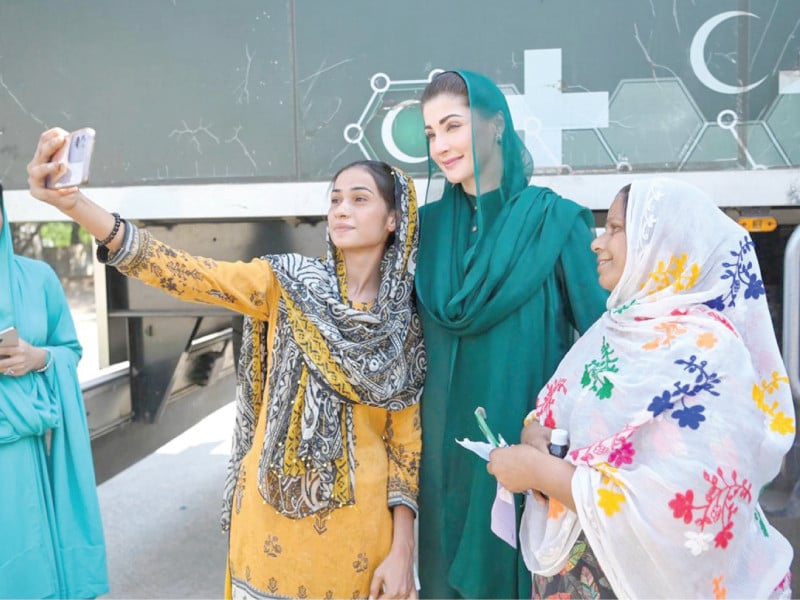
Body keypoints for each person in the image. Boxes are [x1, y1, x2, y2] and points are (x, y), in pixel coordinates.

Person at [27, 130, 426, 600]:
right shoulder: (286, 286)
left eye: (360, 199)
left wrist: (403, 553)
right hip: (267, 528)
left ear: (395, 219)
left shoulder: (403, 326)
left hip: (360, 542)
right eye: (335, 198)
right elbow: (186, 272)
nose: (341, 209)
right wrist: (76, 207)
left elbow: (405, 448)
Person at [487, 178, 795, 598]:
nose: (597, 243)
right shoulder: (613, 328)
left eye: (615, 228)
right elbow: (559, 410)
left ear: (663, 241)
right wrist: (535, 434)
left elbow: (689, 503)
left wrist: (541, 472)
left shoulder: (710, 351)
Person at [414, 70, 609, 599]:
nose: (441, 146)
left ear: (496, 123)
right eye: (431, 133)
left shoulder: (555, 221)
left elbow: (603, 343)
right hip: (441, 452)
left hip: (523, 441)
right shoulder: (424, 229)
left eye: (452, 126)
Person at [0, 184, 108, 598]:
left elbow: (68, 351)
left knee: (30, 573)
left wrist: (36, 357)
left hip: (21, 459)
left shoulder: (37, 278)